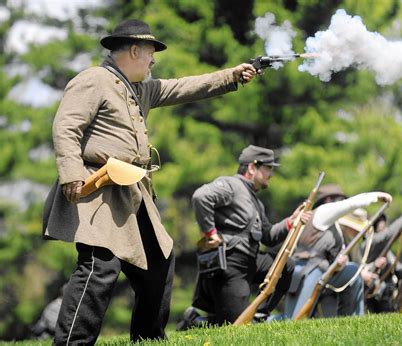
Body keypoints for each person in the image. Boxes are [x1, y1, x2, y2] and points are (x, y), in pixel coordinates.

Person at [42, 19, 257, 344]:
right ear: (133, 50)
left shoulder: (138, 89)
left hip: (134, 192)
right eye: (150, 53)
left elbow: (186, 87)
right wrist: (71, 173)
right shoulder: (94, 80)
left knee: (159, 261)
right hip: (97, 190)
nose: (153, 60)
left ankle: (148, 338)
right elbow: (65, 127)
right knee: (100, 268)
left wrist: (232, 75)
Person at [177, 145, 311, 328]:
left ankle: (260, 314)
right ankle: (195, 322)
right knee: (237, 326)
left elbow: (267, 237)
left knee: (285, 265)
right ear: (252, 168)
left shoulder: (256, 202)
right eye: (268, 168)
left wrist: (291, 221)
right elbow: (201, 197)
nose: (271, 174)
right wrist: (210, 234)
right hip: (230, 263)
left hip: (249, 261)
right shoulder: (231, 185)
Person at [284, 184, 392, 319]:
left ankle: (355, 321)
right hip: (309, 271)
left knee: (353, 272)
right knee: (292, 320)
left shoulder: (331, 225)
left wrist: (340, 264)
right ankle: (260, 323)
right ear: (328, 199)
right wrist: (376, 196)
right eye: (339, 199)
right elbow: (350, 204)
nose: (341, 203)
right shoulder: (323, 212)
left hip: (322, 273)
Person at [364, 204, 402, 313]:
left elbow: (399, 272)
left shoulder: (386, 252)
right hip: (373, 298)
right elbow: (389, 234)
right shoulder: (369, 244)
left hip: (389, 294)